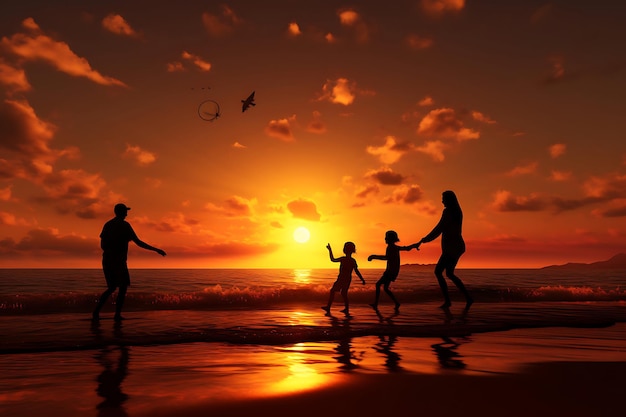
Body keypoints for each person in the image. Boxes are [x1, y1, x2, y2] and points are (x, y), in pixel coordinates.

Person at [92, 203, 166, 321]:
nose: (127, 213)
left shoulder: (108, 225)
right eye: (125, 211)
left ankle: (96, 312)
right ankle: (117, 315)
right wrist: (156, 250)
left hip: (107, 260)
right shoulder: (125, 225)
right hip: (119, 261)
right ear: (121, 212)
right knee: (123, 287)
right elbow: (138, 242)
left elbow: (103, 245)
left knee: (111, 288)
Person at [414, 190, 473, 310]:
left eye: (443, 198)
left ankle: (448, 301)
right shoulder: (458, 211)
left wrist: (425, 239)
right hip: (457, 246)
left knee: (438, 272)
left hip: (451, 248)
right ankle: (467, 298)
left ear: (448, 199)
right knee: (449, 273)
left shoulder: (448, 212)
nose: (442, 201)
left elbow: (439, 228)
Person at [367, 230, 413, 312]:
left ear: (390, 239)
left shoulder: (391, 247)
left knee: (378, 285)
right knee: (385, 288)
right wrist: (415, 245)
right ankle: (396, 303)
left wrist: (374, 256)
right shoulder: (395, 247)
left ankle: (376, 303)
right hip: (392, 271)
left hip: (390, 271)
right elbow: (406, 248)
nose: (385, 239)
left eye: (386, 237)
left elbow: (386, 258)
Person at [322, 242, 365, 316]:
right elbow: (356, 271)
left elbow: (333, 259)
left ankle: (329, 307)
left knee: (333, 291)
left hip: (342, 278)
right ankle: (346, 309)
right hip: (347, 279)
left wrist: (330, 250)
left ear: (345, 250)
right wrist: (362, 279)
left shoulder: (344, 259)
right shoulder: (352, 260)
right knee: (343, 293)